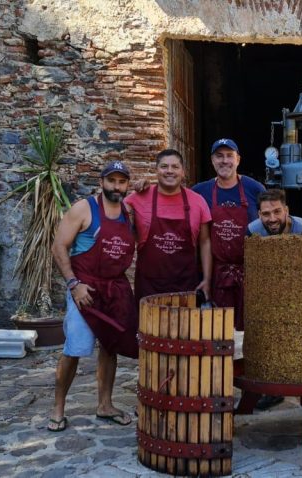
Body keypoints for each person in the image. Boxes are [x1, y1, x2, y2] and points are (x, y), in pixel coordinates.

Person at [48, 160, 138, 432]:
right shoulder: (84, 209)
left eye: (121, 182)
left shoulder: (128, 213)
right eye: (111, 181)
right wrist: (73, 284)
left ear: (127, 185)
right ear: (101, 182)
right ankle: (58, 409)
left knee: (110, 347)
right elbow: (59, 246)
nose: (116, 187)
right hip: (84, 289)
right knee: (75, 347)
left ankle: (105, 405)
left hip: (114, 289)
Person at [245, 188, 302, 410]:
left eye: (277, 211)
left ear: (287, 210)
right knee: (268, 343)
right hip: (269, 294)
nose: (272, 218)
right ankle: (271, 391)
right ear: (259, 214)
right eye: (266, 214)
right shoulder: (252, 232)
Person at [192, 138, 266, 330]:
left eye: (229, 156)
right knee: (218, 331)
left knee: (251, 331)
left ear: (238, 160)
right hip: (217, 275)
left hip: (250, 274)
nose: (224, 161)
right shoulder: (200, 192)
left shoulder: (255, 189)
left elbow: (270, 225)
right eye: (219, 156)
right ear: (212, 160)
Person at [125, 149, 212, 301]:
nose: (169, 171)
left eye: (175, 167)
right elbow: (113, 214)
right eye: (164, 166)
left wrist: (207, 279)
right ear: (156, 170)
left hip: (185, 287)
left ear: (183, 172)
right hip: (148, 287)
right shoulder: (138, 197)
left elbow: (205, 242)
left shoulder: (198, 201)